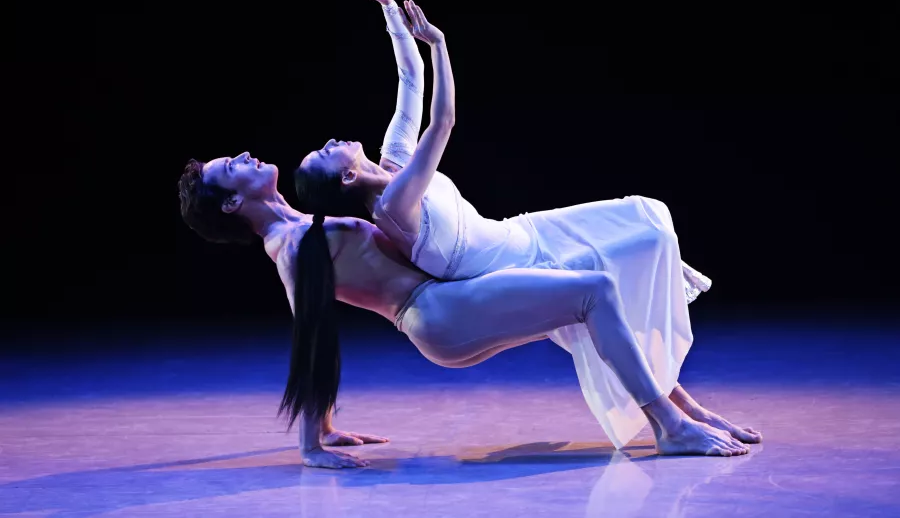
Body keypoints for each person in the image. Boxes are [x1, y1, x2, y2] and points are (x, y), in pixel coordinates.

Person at [293, 0, 761, 449]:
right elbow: (443, 120)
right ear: (346, 176)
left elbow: (410, 82)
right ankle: (674, 423)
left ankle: (687, 409)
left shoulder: (393, 161)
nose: (330, 140)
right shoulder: (393, 205)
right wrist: (440, 44)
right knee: (606, 283)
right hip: (510, 265)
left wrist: (387, 7)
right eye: (325, 153)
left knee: (649, 219)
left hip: (523, 231)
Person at [178, 151, 751, 468]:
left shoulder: (302, 226)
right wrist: (310, 444)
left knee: (584, 298)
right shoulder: (290, 246)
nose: (246, 156)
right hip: (438, 314)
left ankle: (687, 412)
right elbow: (312, 336)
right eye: (232, 166)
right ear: (233, 201)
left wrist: (325, 428)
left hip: (447, 308)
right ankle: (671, 428)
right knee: (593, 290)